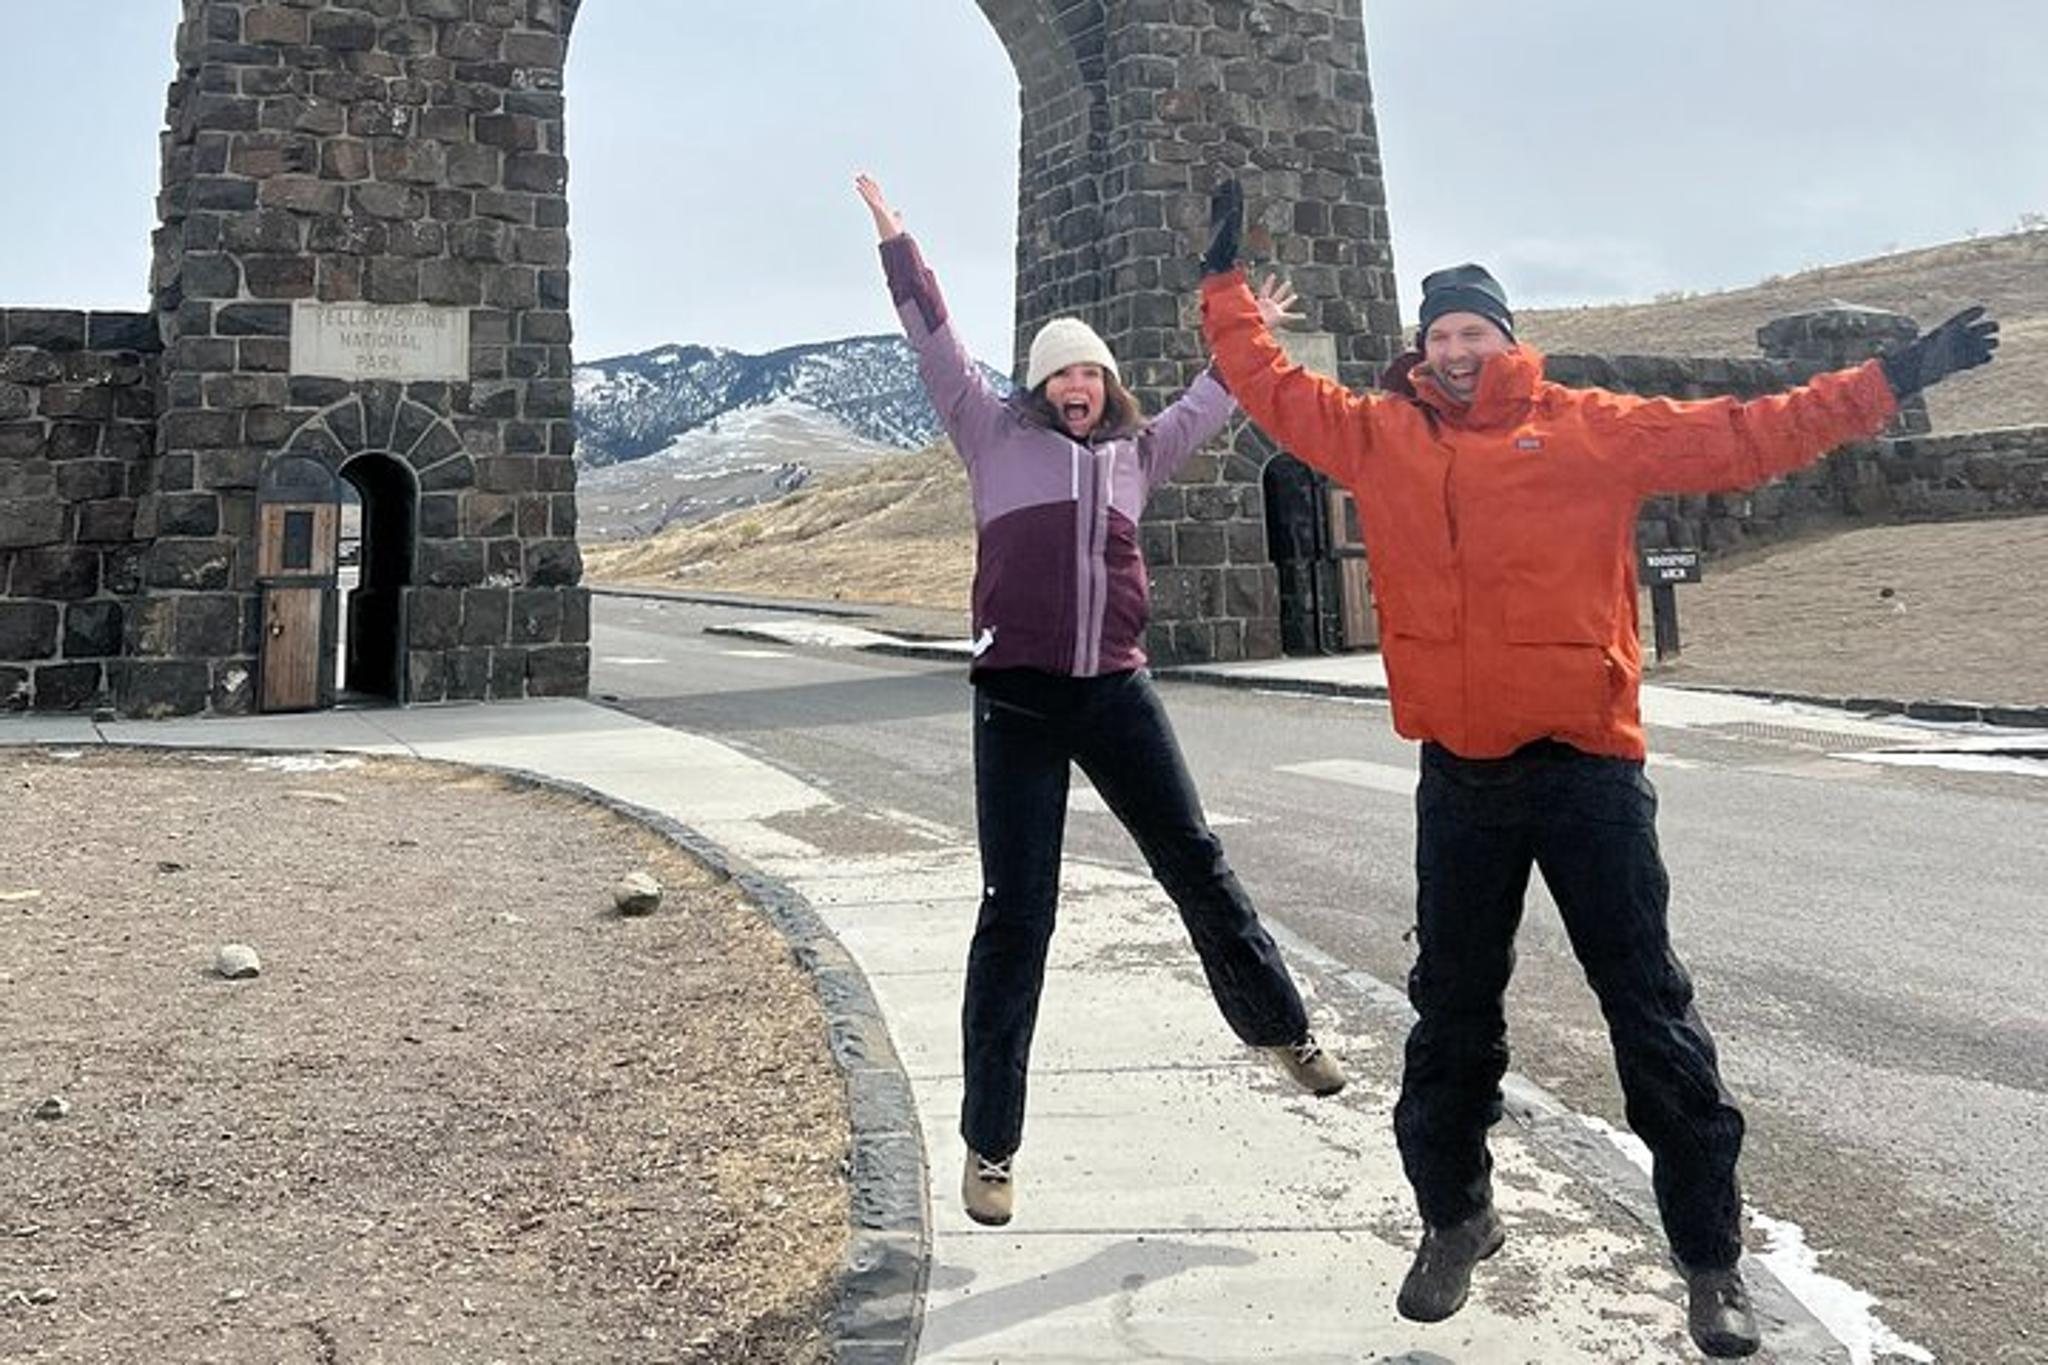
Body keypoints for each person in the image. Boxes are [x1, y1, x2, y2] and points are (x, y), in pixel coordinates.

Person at [1196, 178, 1996, 1358]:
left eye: (1475, 332)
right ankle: (1454, 1214)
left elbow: (1745, 435)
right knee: (1449, 1015)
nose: (1457, 352)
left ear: (1507, 341)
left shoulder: (1587, 428)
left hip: (1585, 774)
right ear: (1419, 349)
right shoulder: (1379, 437)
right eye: (1440, 336)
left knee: (1648, 1013)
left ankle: (1708, 1260)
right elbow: (1266, 382)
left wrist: (1887, 381)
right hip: (1461, 779)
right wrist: (1222, 291)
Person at [854, 173, 1347, 1229]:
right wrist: (899, 244)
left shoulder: (1138, 451)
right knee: (1015, 917)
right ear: (1036, 388)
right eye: (1058, 375)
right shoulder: (991, 436)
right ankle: (991, 1147)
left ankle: (1280, 1031)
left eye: (1089, 373)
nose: (1076, 385)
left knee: (1196, 866)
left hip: (1116, 692)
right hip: (1019, 704)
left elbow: (1223, 389)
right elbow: (933, 340)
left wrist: (1252, 322)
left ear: (1107, 385)